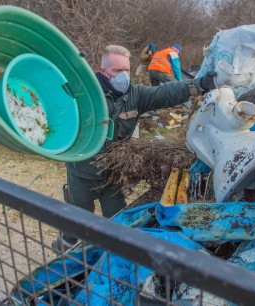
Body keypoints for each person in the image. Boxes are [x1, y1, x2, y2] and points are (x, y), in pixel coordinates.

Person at [52, 44, 217, 254]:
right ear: (103, 71)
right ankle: (64, 258)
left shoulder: (135, 95)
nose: (124, 76)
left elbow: (166, 92)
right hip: (81, 173)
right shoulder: (85, 95)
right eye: (117, 71)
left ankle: (109, 261)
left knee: (119, 224)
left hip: (112, 176)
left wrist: (200, 84)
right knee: (76, 224)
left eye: (127, 70)